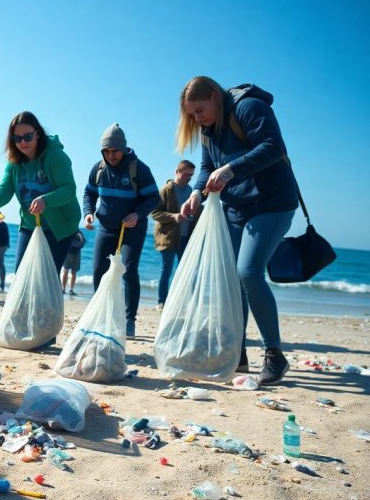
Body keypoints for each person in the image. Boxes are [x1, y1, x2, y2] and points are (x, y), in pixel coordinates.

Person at [177, 76, 298, 385]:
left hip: (273, 203)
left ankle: (274, 354)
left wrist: (230, 170)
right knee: (229, 279)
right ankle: (237, 353)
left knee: (247, 272)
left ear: (216, 96)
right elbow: (206, 166)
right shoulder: (207, 130)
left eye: (200, 110)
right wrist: (195, 193)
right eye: (192, 115)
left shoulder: (249, 108)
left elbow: (273, 147)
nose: (198, 118)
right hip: (235, 208)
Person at [0, 111, 81, 276]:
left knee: (46, 279)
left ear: (38, 134)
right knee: (21, 275)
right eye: (17, 138)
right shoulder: (13, 163)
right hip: (30, 224)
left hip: (60, 227)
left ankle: (46, 303)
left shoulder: (56, 156)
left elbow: (69, 190)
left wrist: (46, 200)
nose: (22, 142)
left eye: (27, 137)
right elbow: (4, 193)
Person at [83, 123, 160, 339]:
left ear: (124, 149)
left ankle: (129, 321)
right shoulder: (98, 169)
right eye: (106, 151)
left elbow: (154, 198)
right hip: (106, 227)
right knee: (99, 270)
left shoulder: (139, 169)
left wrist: (137, 214)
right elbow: (89, 193)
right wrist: (88, 212)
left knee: (128, 271)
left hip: (132, 229)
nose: (111, 155)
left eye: (114, 150)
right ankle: (102, 314)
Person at [151, 160, 196, 311]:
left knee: (186, 272)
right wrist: (174, 217)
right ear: (177, 172)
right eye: (186, 174)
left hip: (186, 238)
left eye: (191, 175)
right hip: (168, 237)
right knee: (166, 271)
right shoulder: (165, 190)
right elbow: (154, 213)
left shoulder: (191, 191)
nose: (189, 177)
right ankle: (162, 302)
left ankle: (183, 303)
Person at [61, 230, 86, 295]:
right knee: (71, 272)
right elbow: (83, 242)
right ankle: (67, 289)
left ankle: (66, 289)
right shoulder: (78, 232)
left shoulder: (75, 231)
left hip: (71, 253)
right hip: (73, 253)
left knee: (68, 271)